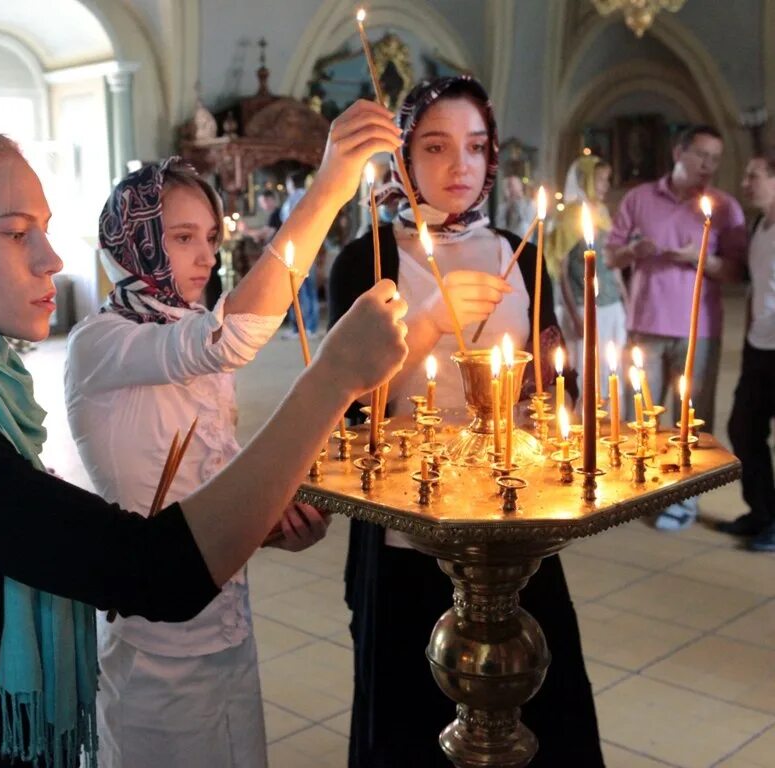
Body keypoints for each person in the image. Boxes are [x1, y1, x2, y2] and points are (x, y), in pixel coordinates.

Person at [0, 117, 409, 768]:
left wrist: (258, 523)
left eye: (42, 228)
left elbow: (39, 539)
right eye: (16, 233)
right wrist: (330, 379)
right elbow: (151, 571)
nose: (52, 258)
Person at [65, 100, 401, 768]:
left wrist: (269, 524)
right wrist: (329, 188)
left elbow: (207, 491)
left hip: (225, 623)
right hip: (156, 645)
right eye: (182, 236)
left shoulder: (181, 331)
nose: (205, 254)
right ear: (129, 239)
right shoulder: (101, 342)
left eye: (211, 238)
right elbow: (230, 338)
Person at [328, 75, 602, 768]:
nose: (459, 167)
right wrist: (421, 327)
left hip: (511, 522)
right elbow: (342, 411)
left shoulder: (522, 252)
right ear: (404, 160)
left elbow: (553, 392)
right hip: (405, 526)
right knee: (410, 709)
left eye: (475, 148)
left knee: (532, 695)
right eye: (436, 146)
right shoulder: (366, 259)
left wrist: (555, 390)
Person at [606, 125, 747, 530]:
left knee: (691, 416)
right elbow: (611, 255)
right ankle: (641, 488)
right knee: (640, 413)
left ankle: (685, 495)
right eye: (701, 155)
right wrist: (634, 250)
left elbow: (736, 271)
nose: (708, 165)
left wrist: (698, 257)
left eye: (715, 159)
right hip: (646, 322)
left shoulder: (725, 207)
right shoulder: (640, 198)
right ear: (678, 152)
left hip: (698, 328)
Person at [720, 148, 775, 551]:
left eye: (754, 175)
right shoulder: (760, 225)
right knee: (743, 428)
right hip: (759, 345)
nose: (745, 183)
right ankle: (762, 512)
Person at [552, 155, 627, 394]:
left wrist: (625, 296)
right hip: (583, 305)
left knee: (612, 369)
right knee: (588, 371)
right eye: (600, 180)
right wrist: (574, 313)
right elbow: (560, 268)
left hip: (611, 302)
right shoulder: (572, 215)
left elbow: (610, 259)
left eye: (607, 180)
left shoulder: (602, 210)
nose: (605, 186)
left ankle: (611, 423)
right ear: (585, 181)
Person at [281, 171, 319, 337]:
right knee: (307, 290)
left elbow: (290, 225)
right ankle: (307, 327)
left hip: (297, 249)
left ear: (291, 183)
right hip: (310, 246)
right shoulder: (311, 197)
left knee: (300, 289)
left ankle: (305, 327)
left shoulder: (294, 200)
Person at [494, 173, 537, 241]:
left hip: (524, 241)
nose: (511, 188)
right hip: (508, 241)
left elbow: (527, 222)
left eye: (512, 185)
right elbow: (499, 227)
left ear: (520, 186)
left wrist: (518, 202)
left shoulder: (529, 203)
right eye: (508, 185)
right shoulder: (503, 207)